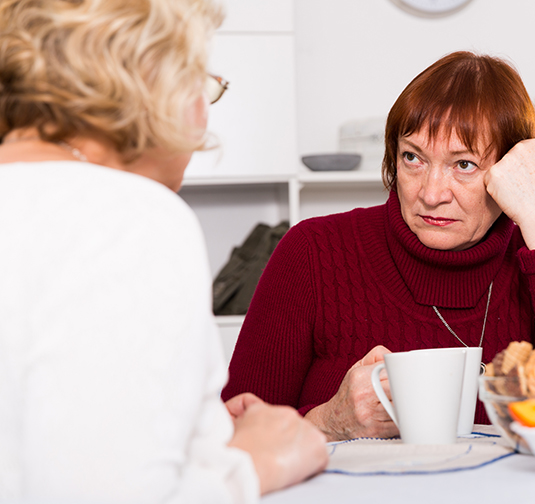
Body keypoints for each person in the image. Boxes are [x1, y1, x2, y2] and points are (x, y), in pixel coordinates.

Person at [0, 0, 327, 501]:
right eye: (201, 81)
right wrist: (253, 463)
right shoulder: (128, 217)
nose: (203, 115)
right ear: (151, 84)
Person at [222, 51, 535, 442]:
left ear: (509, 170)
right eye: (413, 158)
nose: (431, 194)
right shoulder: (311, 252)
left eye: (463, 164)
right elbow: (232, 439)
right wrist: (326, 422)